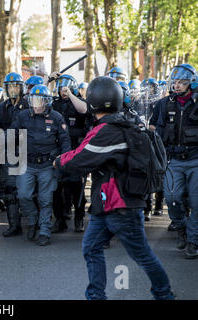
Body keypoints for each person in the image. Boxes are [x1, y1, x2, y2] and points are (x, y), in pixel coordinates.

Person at [54, 76, 175, 300]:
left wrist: (59, 160)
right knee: (91, 247)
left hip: (121, 205)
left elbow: (81, 157)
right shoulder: (123, 120)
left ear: (93, 101)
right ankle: (96, 296)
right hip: (108, 202)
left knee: (142, 254)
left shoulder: (108, 131)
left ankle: (164, 293)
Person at [12, 84, 71, 245]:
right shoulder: (23, 116)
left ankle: (44, 231)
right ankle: (32, 220)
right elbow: (12, 133)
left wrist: (62, 160)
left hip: (47, 164)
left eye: (39, 100)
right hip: (27, 163)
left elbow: (65, 142)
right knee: (23, 195)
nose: (36, 104)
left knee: (46, 200)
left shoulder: (57, 117)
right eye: (33, 100)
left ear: (47, 102)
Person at [156, 63, 198, 259]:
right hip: (173, 160)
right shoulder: (165, 104)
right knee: (172, 199)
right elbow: (156, 130)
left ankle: (193, 240)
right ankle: (180, 227)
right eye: (175, 82)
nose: (177, 85)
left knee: (196, 202)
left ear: (192, 82)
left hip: (195, 159)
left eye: (182, 82)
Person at [51, 74, 91, 233]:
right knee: (57, 187)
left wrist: (72, 95)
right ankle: (60, 219)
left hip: (76, 149)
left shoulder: (79, 103)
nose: (63, 91)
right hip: (58, 150)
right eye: (60, 88)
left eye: (66, 88)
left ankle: (79, 217)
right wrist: (48, 80)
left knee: (76, 186)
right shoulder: (54, 104)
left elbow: (85, 113)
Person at [0, 72, 29, 237]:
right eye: (10, 86)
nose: (13, 89)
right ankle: (14, 226)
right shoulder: (1, 107)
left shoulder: (29, 105)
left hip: (26, 152)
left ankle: (35, 224)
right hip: (7, 153)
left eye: (16, 86)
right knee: (9, 190)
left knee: (28, 191)